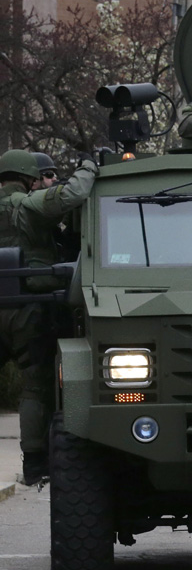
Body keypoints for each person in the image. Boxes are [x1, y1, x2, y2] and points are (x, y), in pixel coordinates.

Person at [0, 149, 98, 483]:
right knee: (35, 386)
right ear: (28, 178)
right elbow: (73, 194)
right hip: (28, 307)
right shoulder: (25, 206)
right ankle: (34, 464)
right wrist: (89, 165)